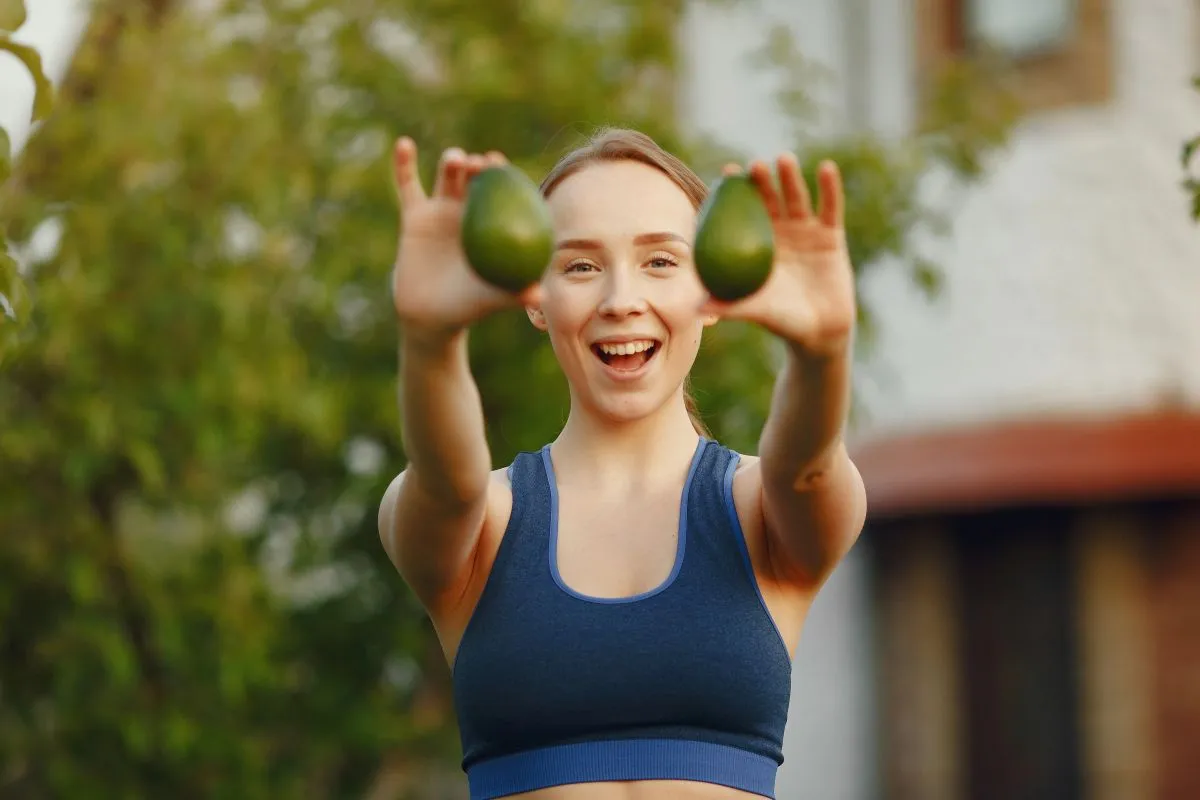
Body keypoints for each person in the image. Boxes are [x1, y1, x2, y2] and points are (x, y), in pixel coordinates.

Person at [378, 128, 867, 800]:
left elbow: (805, 465)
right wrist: (431, 342)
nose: (620, 300)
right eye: (580, 266)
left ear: (711, 290)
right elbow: (445, 481)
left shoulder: (760, 507)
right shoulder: (485, 522)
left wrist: (822, 352)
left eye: (660, 262)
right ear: (534, 298)